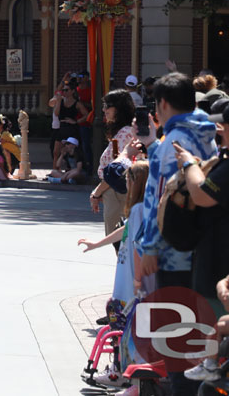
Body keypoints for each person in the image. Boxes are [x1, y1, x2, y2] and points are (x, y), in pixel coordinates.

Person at [137, 71, 218, 396]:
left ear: (163, 104)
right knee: (200, 335)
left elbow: (161, 199)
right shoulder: (209, 134)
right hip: (204, 246)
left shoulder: (169, 144)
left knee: (175, 336)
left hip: (173, 251)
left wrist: (150, 248)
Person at [77, 162, 152, 389]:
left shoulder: (140, 210)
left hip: (131, 281)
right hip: (128, 278)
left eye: (128, 181)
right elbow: (124, 231)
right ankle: (124, 373)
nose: (125, 185)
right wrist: (96, 243)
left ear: (136, 184)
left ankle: (121, 373)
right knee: (122, 323)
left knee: (122, 322)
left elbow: (141, 246)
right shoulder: (140, 210)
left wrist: (138, 280)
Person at [170, 97, 229, 382]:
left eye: (224, 125)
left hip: (221, 260)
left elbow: (202, 194)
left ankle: (214, 366)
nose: (220, 131)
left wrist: (189, 164)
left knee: (217, 319)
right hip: (215, 254)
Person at [90, 89, 138, 241]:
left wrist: (97, 193)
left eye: (107, 106)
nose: (103, 110)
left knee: (118, 241)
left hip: (117, 192)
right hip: (116, 190)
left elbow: (116, 172)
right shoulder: (124, 131)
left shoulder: (124, 133)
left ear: (118, 108)